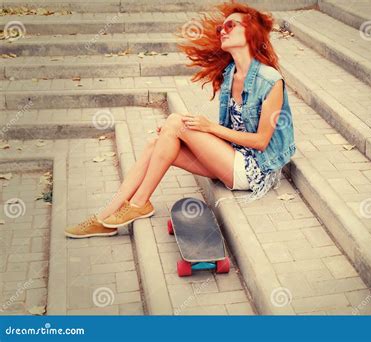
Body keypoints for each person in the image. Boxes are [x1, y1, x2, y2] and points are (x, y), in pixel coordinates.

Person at [65, 1, 296, 238]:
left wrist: (210, 128)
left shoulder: (270, 80)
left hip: (255, 168)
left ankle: (139, 204)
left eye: (230, 25)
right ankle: (105, 217)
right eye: (220, 29)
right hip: (232, 156)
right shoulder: (231, 74)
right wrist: (178, 133)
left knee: (175, 122)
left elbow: (260, 141)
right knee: (157, 142)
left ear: (250, 31)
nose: (222, 31)